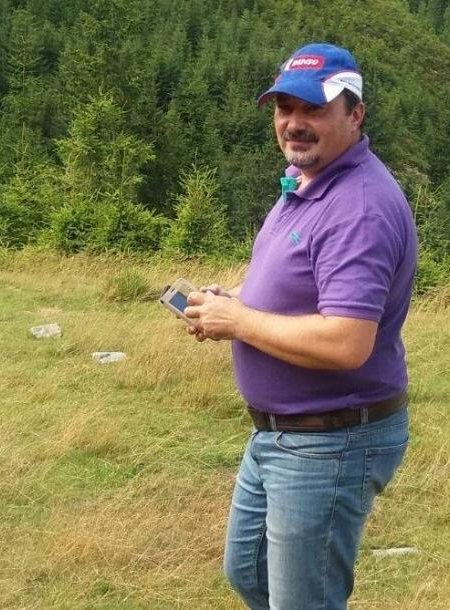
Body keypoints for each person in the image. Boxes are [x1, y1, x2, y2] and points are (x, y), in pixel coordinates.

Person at [183, 42, 418, 610]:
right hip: (282, 433)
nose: (294, 122)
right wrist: (234, 302)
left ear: (355, 114)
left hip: (330, 440)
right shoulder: (307, 180)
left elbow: (346, 342)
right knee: (249, 573)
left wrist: (240, 320)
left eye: (314, 109)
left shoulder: (359, 208)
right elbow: (300, 286)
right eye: (284, 107)